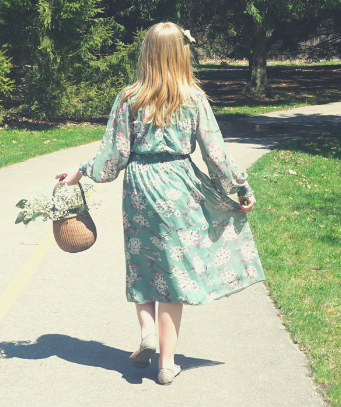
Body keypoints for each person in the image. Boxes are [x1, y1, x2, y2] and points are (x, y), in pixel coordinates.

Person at [55, 22, 263, 385]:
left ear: (147, 53)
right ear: (182, 53)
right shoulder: (193, 98)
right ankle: (167, 364)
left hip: (139, 187)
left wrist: (82, 171)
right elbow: (215, 155)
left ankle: (147, 331)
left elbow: (113, 157)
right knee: (173, 274)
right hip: (180, 187)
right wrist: (241, 188)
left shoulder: (129, 98)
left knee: (142, 262)